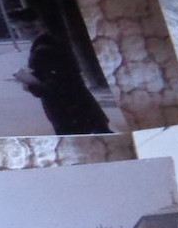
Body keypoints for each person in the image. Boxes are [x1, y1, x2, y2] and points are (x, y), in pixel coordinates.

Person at [9, 7, 112, 135]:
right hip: (82, 110)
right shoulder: (52, 42)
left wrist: (30, 85)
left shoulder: (42, 51)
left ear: (25, 28)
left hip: (70, 115)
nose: (17, 33)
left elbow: (56, 87)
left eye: (16, 29)